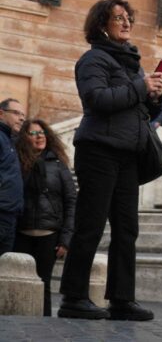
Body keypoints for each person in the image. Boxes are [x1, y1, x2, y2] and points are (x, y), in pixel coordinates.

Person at [60, 0, 162, 321]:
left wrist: (156, 96)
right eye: (117, 18)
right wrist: (139, 87)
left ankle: (122, 298)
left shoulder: (132, 64)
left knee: (126, 229)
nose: (125, 23)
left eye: (128, 17)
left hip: (128, 155)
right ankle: (74, 297)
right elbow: (97, 99)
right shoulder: (93, 60)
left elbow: (145, 111)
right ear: (101, 25)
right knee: (90, 225)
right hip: (99, 151)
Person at [14, 119, 77, 315]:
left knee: (44, 284)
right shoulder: (16, 163)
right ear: (25, 138)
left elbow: (71, 201)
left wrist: (66, 239)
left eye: (42, 132)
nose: (39, 136)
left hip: (49, 235)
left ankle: (44, 325)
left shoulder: (58, 164)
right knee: (18, 285)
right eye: (33, 133)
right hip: (20, 234)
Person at [0, 97, 26, 256]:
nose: (22, 118)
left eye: (23, 114)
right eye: (16, 113)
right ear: (1, 114)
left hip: (9, 215)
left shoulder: (10, 140)